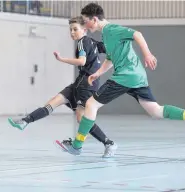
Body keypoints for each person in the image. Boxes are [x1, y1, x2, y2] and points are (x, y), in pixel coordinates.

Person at [60, 3, 185, 155]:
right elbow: (110, 59)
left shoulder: (112, 29)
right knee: (155, 111)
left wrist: (147, 54)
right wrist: (98, 73)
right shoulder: (106, 35)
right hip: (137, 76)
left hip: (125, 76)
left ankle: (77, 145)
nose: (84, 24)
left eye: (85, 21)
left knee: (91, 104)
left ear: (94, 20)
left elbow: (137, 34)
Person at [8, 16, 117, 158]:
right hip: (78, 84)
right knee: (53, 102)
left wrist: (61, 59)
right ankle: (25, 121)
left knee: (82, 119)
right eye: (70, 30)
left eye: (75, 29)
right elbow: (112, 50)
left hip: (87, 85)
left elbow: (81, 61)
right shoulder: (93, 42)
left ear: (84, 29)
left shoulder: (82, 42)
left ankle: (108, 143)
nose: (72, 32)